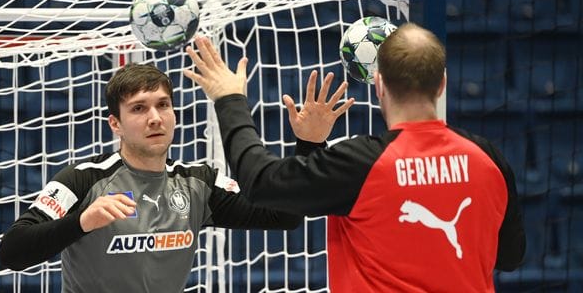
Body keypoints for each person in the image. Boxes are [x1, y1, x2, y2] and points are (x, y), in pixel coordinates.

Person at [183, 26, 526, 292]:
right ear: (442, 85)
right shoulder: (488, 157)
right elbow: (510, 257)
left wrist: (229, 99)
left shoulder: (362, 164)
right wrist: (310, 144)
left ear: (378, 84)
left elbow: (260, 183)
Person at [0, 63, 303, 292]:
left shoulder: (198, 183)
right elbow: (12, 251)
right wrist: (82, 222)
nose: (155, 117)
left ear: (174, 114)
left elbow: (284, 216)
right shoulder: (83, 180)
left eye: (163, 105)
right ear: (115, 124)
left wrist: (309, 143)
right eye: (139, 108)